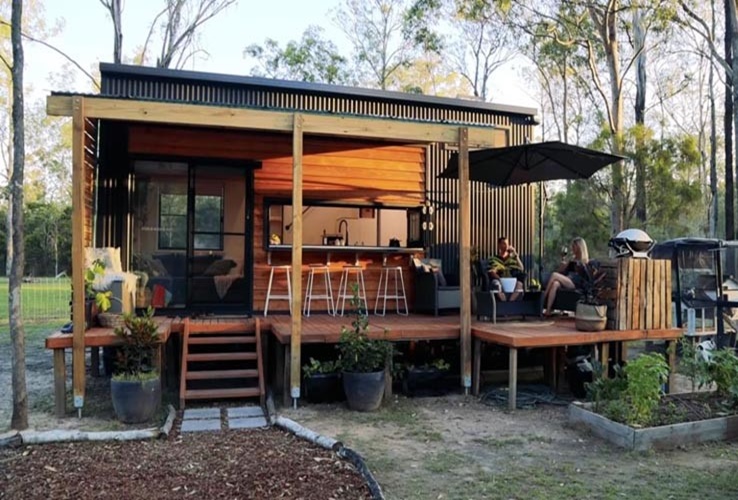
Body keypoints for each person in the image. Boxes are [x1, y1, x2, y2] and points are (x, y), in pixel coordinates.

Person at [543, 237, 589, 316]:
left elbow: (584, 276)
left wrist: (578, 266)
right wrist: (564, 265)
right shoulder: (572, 259)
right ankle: (548, 309)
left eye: (574, 247)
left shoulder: (584, 261)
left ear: (579, 248)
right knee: (555, 283)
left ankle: (543, 297)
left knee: (554, 275)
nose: (572, 249)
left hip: (575, 283)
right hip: (568, 279)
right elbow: (560, 272)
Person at [488, 236, 525, 301]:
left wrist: (516, 255)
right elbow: (492, 271)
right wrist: (499, 279)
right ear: (499, 245)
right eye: (504, 243)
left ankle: (510, 302)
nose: (506, 245)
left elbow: (521, 268)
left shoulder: (512, 258)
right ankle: (504, 301)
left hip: (512, 279)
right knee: (495, 284)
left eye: (507, 244)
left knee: (520, 283)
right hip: (500, 279)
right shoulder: (494, 259)